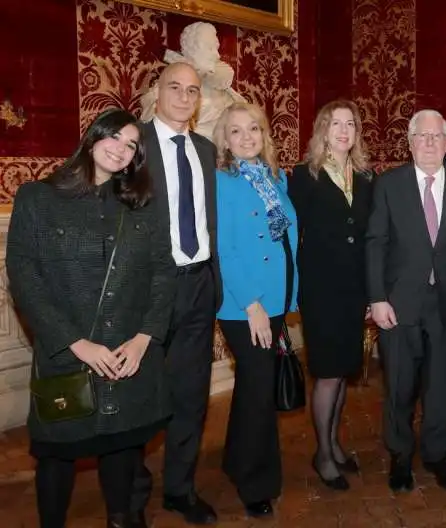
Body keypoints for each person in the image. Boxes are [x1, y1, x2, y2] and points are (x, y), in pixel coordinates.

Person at [6, 108, 176, 528]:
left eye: (131, 144)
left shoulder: (142, 206)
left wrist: (144, 339)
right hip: (66, 354)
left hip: (125, 356)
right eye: (114, 137)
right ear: (92, 137)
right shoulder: (38, 198)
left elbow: (163, 273)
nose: (121, 148)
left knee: (121, 449)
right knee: (57, 455)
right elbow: (24, 279)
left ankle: (121, 520)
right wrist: (76, 343)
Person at [366, 109, 446, 492]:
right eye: (422, 136)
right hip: (399, 305)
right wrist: (378, 298)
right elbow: (376, 244)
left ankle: (437, 455)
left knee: (441, 387)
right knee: (399, 386)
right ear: (410, 142)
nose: (430, 143)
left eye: (437, 136)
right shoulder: (389, 184)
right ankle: (400, 454)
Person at [134, 61, 221, 525]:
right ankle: (131, 498)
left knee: (191, 393)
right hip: (149, 288)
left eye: (192, 91)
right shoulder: (133, 145)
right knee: (138, 394)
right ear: (157, 91)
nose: (185, 98)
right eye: (175, 88)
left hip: (199, 284)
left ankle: (179, 489)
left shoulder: (206, 149)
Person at [212, 102, 298, 518]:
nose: (246, 138)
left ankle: (236, 460)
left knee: (252, 385)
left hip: (278, 299)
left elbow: (286, 241)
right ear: (224, 141)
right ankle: (255, 482)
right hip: (244, 306)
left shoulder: (276, 178)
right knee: (259, 389)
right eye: (236, 132)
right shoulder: (220, 183)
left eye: (254, 130)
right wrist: (252, 306)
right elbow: (223, 250)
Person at [288, 100, 373, 490]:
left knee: (342, 371)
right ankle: (322, 453)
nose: (343, 130)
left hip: (354, 288)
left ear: (357, 132)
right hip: (321, 288)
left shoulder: (367, 176)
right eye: (335, 123)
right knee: (326, 372)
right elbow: (290, 234)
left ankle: (335, 444)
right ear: (322, 129)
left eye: (350, 124)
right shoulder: (303, 176)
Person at [140, 22, 246, 140]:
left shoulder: (226, 94)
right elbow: (151, 123)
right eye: (209, 48)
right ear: (190, 50)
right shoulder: (164, 89)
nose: (217, 55)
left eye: (216, 48)